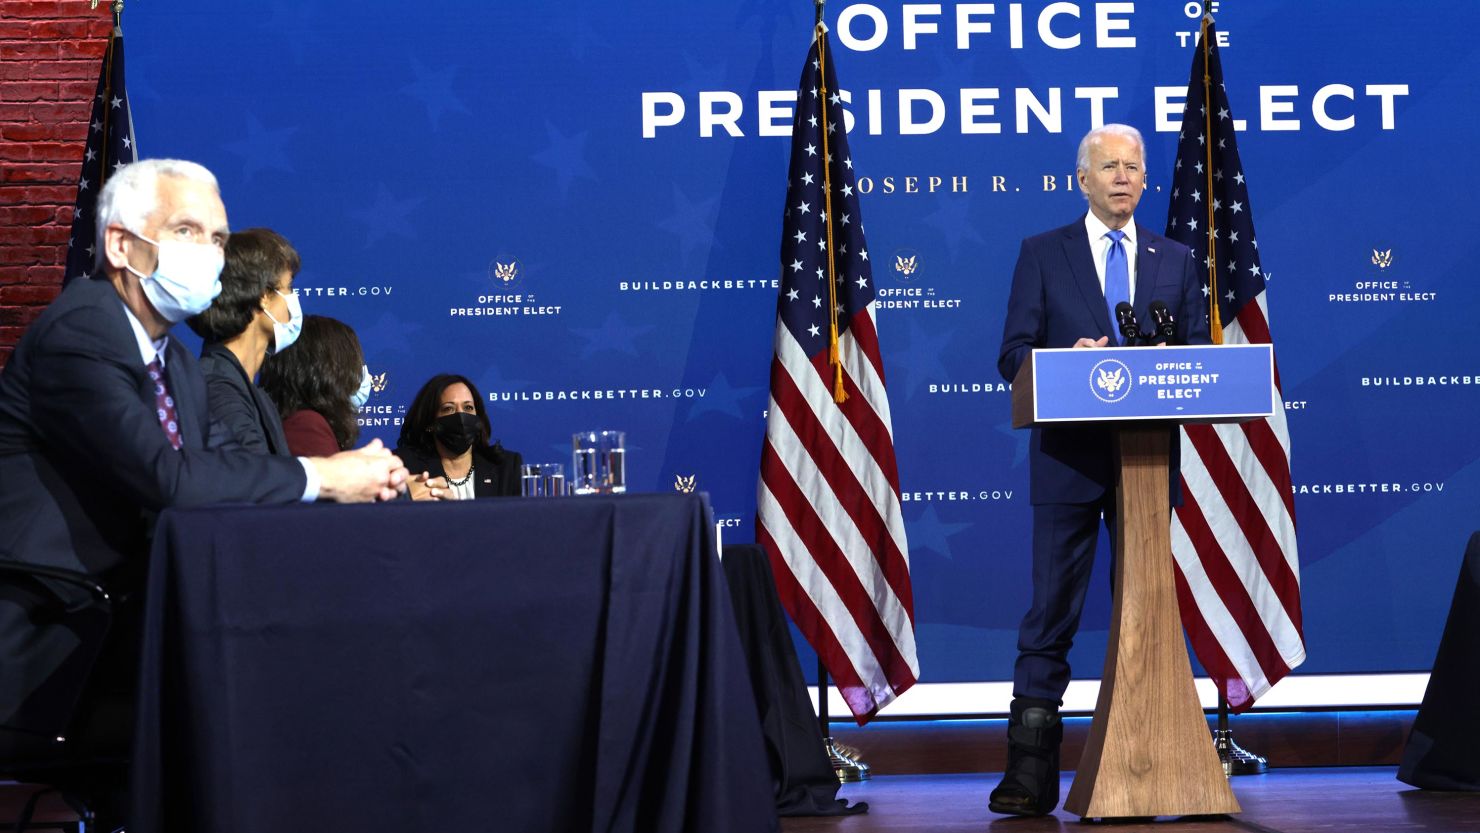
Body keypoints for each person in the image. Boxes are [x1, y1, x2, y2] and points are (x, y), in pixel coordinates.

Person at [0, 159, 407, 826]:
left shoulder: (178, 366)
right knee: (263, 700)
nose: (210, 253)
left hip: (131, 624)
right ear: (122, 245)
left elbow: (222, 477)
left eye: (218, 239)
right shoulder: (83, 330)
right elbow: (172, 483)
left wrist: (352, 487)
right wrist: (325, 475)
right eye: (187, 230)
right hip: (53, 645)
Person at [991, 125, 1210, 817]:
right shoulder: (1042, 254)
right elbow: (1012, 354)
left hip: (1147, 463)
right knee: (1051, 613)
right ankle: (1028, 776)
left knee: (1145, 612)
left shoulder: (1176, 258)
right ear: (1081, 179)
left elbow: (1200, 358)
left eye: (1133, 167)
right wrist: (1067, 362)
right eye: (1108, 166)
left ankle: (1144, 761)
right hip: (1068, 462)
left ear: (1145, 179)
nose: (1122, 177)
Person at [186, 227, 303, 455]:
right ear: (263, 297)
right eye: (288, 287)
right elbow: (257, 480)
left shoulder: (252, 393)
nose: (293, 299)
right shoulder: (218, 391)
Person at [395, 374, 522, 500]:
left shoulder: (507, 466)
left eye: (468, 407)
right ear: (430, 423)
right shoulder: (404, 467)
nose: (461, 417)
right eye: (448, 409)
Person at [260, 314, 371, 458]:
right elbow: (330, 480)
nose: (361, 373)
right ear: (331, 369)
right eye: (355, 363)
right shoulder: (306, 427)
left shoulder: (295, 420)